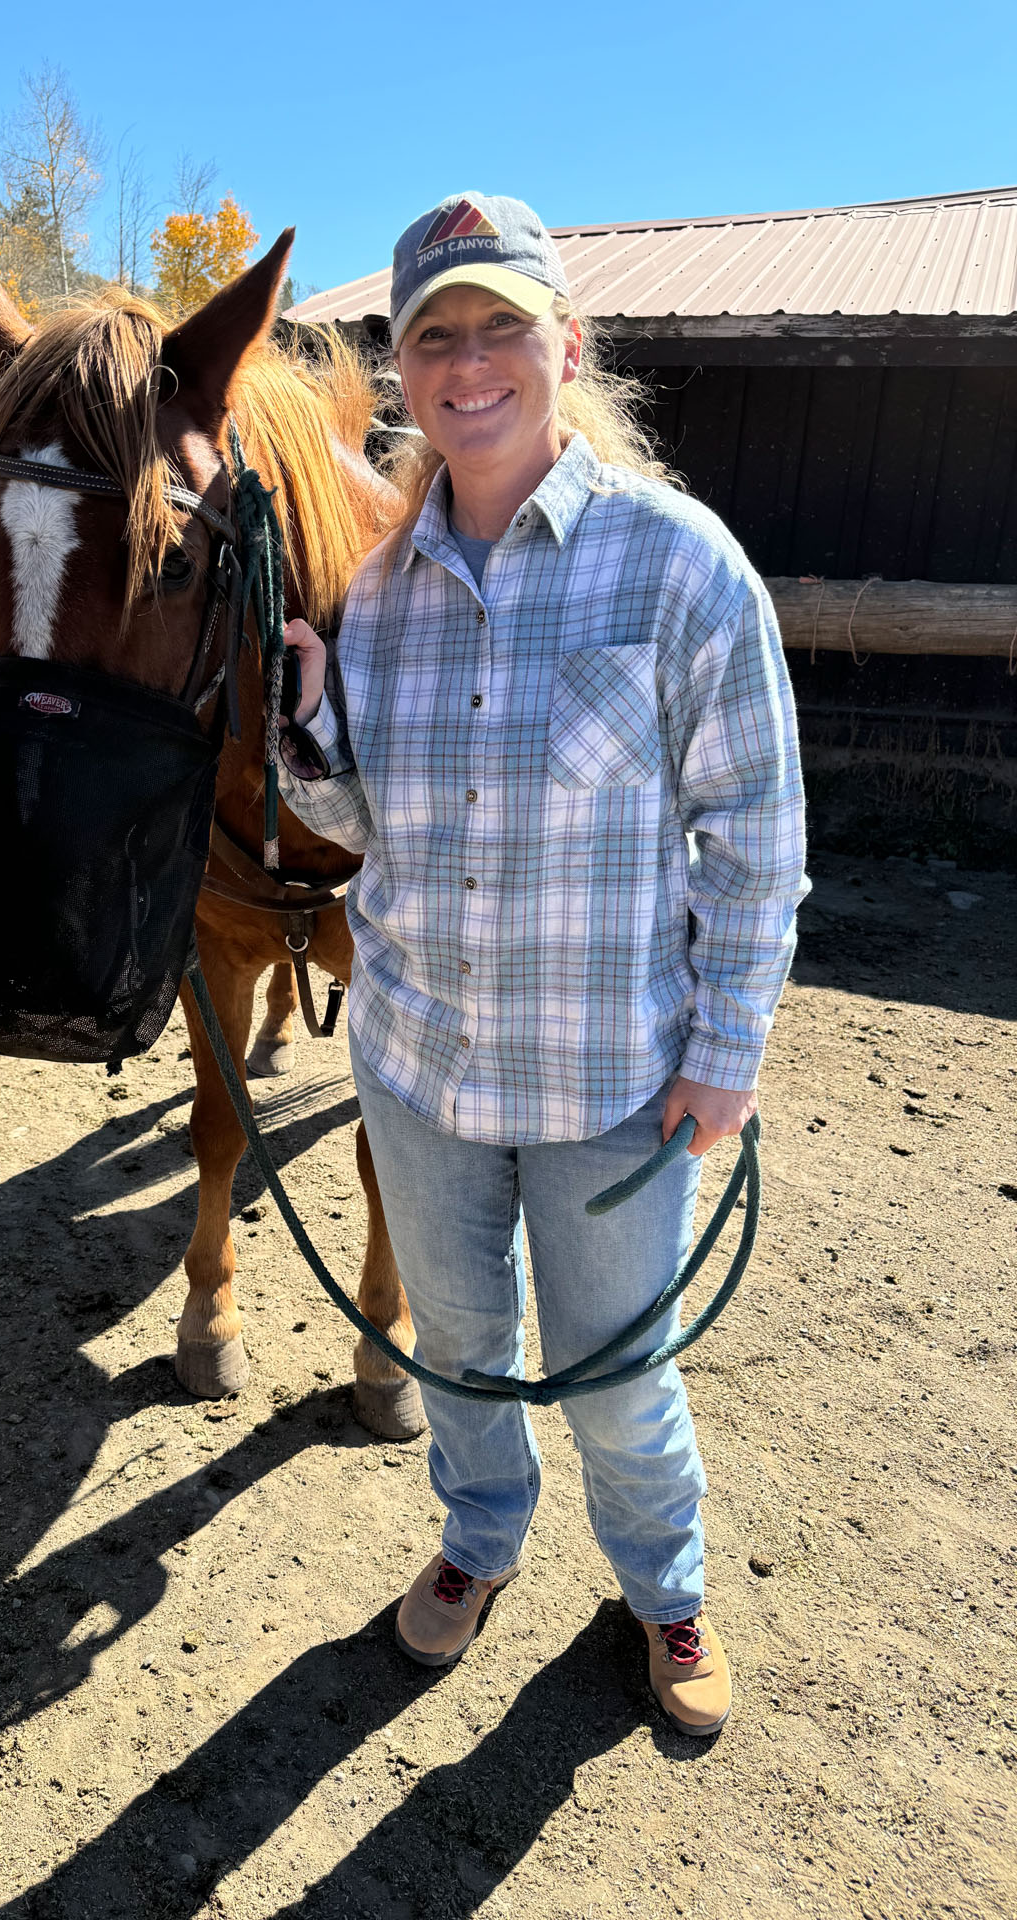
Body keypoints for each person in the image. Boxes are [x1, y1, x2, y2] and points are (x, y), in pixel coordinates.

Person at [277, 191, 807, 1737]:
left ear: (564, 351)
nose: (467, 361)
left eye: (502, 325)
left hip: (614, 1085)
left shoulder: (682, 570)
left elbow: (756, 836)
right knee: (457, 1347)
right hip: (423, 1065)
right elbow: (354, 819)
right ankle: (479, 1538)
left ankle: (667, 1587)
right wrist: (310, 719)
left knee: (616, 1371)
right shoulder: (375, 596)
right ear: (404, 378)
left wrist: (730, 1047)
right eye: (434, 335)